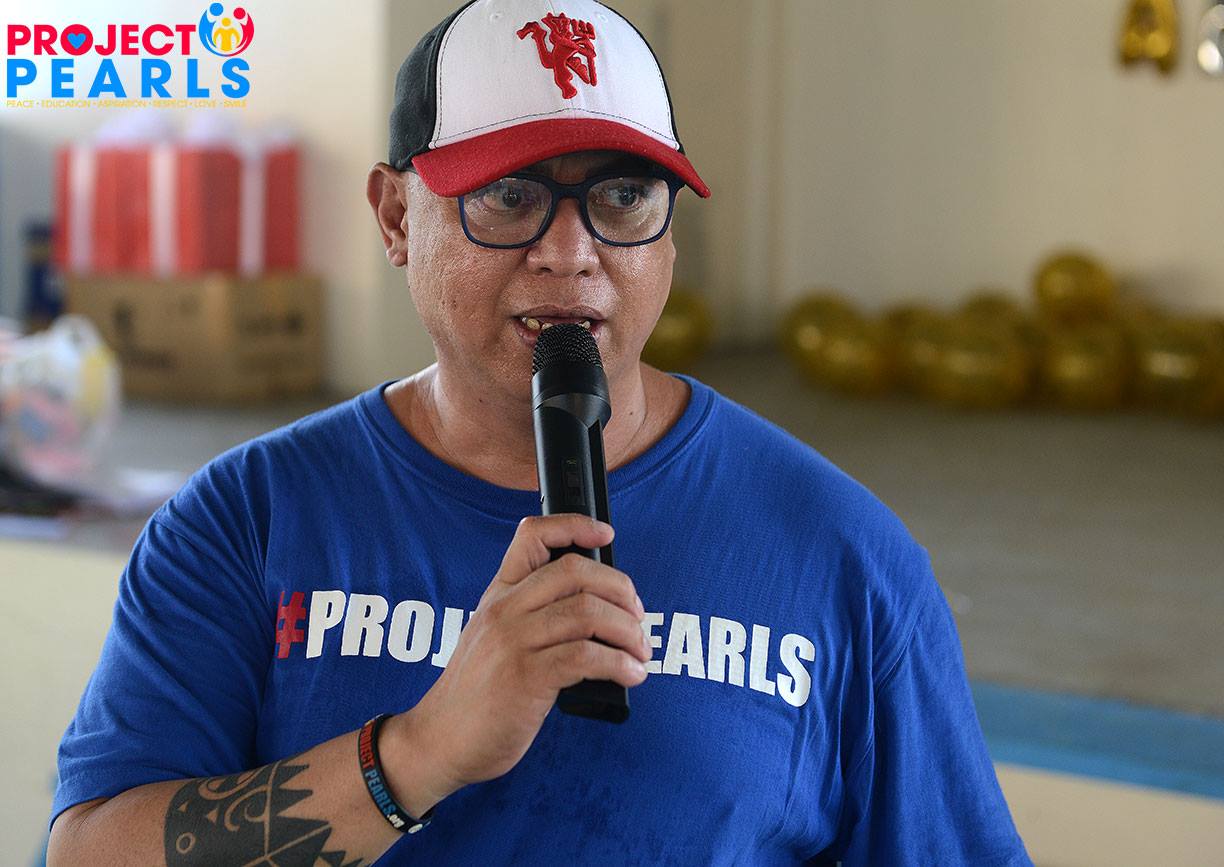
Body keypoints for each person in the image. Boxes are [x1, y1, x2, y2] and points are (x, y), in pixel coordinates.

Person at [47, 1, 1033, 864]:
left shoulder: (840, 553)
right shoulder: (250, 518)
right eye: (509, 196)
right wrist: (419, 753)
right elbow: (90, 854)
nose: (571, 254)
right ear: (396, 217)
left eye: (623, 198)